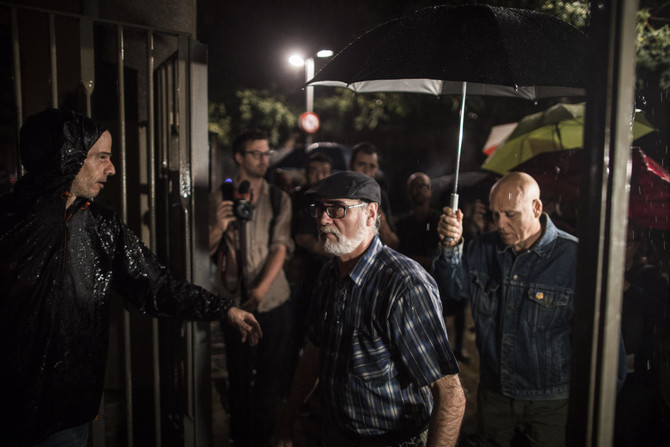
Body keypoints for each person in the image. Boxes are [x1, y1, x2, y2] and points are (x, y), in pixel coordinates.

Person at [0, 109, 262, 447]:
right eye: (101, 157)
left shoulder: (102, 227)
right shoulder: (8, 223)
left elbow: (154, 284)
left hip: (68, 413)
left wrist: (223, 308)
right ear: (67, 158)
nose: (112, 168)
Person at [432, 172, 625, 447]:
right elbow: (449, 293)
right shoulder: (483, 249)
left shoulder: (576, 259)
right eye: (495, 214)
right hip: (494, 395)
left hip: (550, 404)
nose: (500, 224)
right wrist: (450, 248)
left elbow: (605, 341)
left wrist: (599, 404)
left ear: (536, 208)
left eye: (510, 214)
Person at [277, 171, 466, 447]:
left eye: (336, 209)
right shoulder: (330, 275)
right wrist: (287, 419)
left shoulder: (404, 285)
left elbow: (450, 394)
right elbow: (315, 352)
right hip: (338, 433)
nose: (322, 219)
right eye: (319, 208)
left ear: (370, 213)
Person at [209, 128, 294, 447]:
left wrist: (258, 292)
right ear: (239, 157)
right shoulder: (221, 196)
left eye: (266, 153)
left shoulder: (278, 197)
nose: (263, 160)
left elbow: (280, 247)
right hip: (235, 303)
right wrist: (219, 227)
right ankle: (240, 437)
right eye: (256, 154)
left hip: (273, 301)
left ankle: (264, 437)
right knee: (239, 377)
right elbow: (204, 249)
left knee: (270, 379)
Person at [396, 172, 469, 363]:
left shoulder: (442, 222)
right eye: (415, 185)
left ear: (431, 191)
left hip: (436, 287)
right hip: (409, 290)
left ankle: (455, 349)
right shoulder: (402, 224)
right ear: (408, 191)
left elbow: (443, 259)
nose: (420, 189)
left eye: (424, 185)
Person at [349, 142, 399, 249]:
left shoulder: (381, 196)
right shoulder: (339, 193)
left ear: (377, 169)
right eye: (361, 164)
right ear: (351, 165)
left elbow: (393, 243)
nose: (367, 171)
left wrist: (381, 221)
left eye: (372, 166)